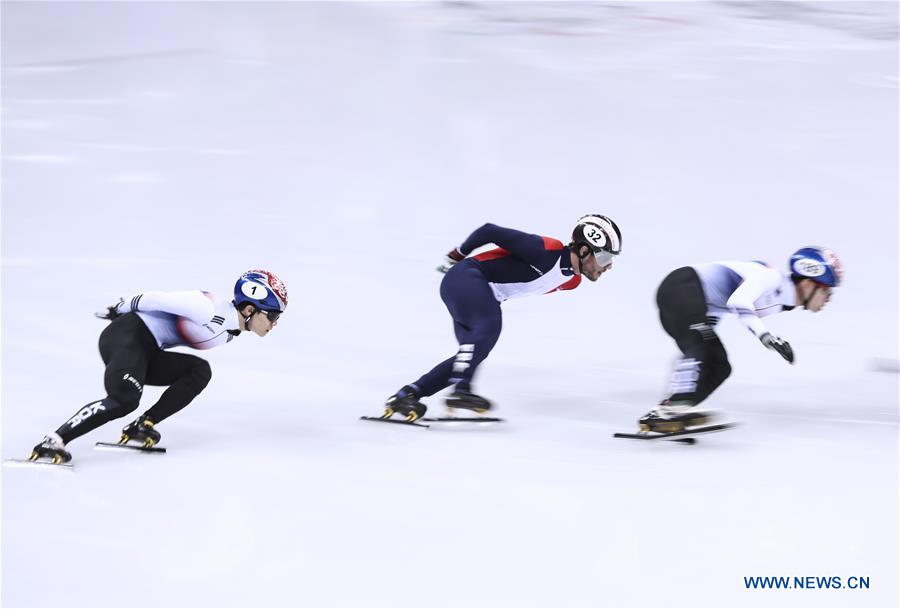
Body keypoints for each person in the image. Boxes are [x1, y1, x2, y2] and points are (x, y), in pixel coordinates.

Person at [29, 269, 288, 464]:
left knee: (199, 371)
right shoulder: (209, 308)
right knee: (124, 400)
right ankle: (53, 441)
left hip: (148, 350)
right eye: (273, 315)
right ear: (250, 309)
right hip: (126, 336)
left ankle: (143, 425)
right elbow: (155, 298)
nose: (275, 323)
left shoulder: (230, 330)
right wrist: (119, 308)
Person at [383, 215, 622, 421]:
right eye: (603, 258)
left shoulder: (572, 281)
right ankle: (462, 390)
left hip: (478, 291)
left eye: (611, 260)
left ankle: (408, 395)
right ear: (583, 250)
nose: (608, 267)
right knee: (489, 326)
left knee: (472, 354)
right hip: (467, 277)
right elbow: (490, 231)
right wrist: (457, 255)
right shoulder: (547, 250)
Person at [639, 247, 843, 432]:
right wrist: (766, 337)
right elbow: (738, 301)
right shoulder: (772, 278)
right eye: (826, 290)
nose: (829, 298)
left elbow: (717, 299)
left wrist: (707, 326)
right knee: (700, 347)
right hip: (681, 286)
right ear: (807, 284)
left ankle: (673, 409)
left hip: (692, 297)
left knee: (720, 365)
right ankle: (669, 411)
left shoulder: (783, 298)